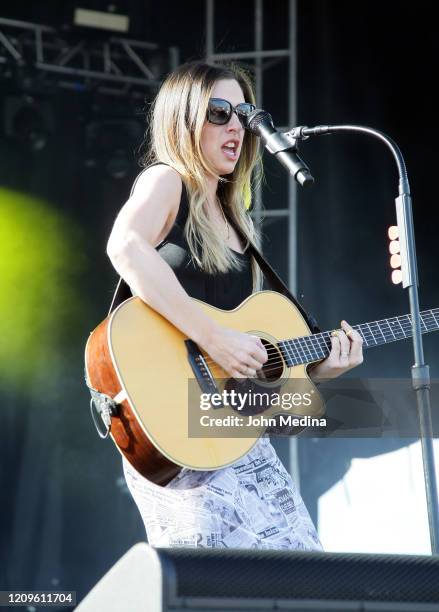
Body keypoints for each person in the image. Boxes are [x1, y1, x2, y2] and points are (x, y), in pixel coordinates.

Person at [106, 61, 364, 550]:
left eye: (243, 115)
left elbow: (246, 376)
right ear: (183, 121)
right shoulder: (167, 181)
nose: (235, 128)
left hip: (228, 428)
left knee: (300, 572)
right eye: (218, 112)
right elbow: (125, 247)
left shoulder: (235, 216)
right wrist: (213, 335)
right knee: (211, 581)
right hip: (169, 425)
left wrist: (315, 373)